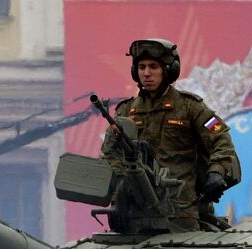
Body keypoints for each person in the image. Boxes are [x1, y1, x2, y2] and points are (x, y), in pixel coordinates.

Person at [102, 38, 241, 232]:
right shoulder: (125, 112)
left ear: (169, 70)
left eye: (153, 67)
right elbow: (109, 154)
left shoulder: (190, 107)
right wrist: (122, 184)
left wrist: (216, 172)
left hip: (180, 214)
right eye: (141, 67)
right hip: (134, 216)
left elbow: (221, 140)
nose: (147, 73)